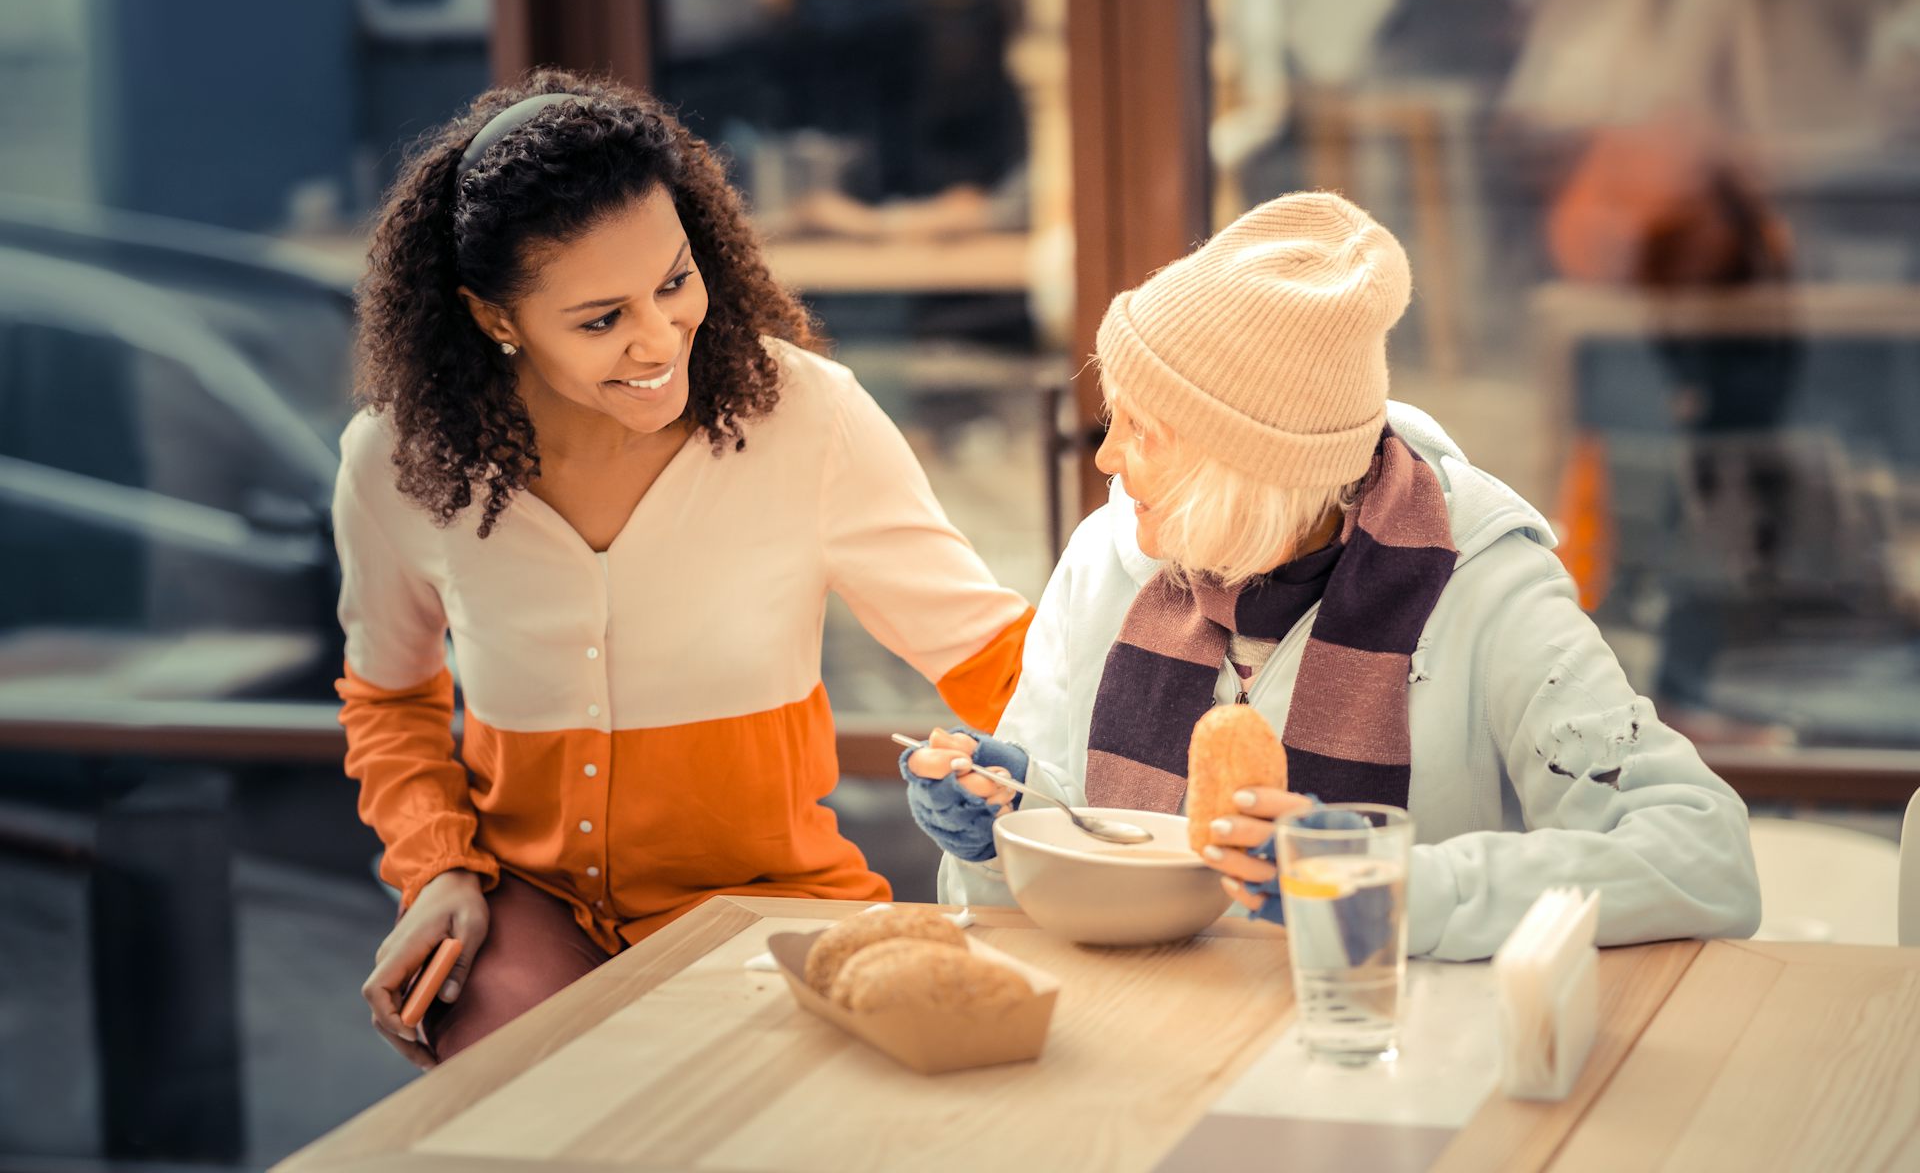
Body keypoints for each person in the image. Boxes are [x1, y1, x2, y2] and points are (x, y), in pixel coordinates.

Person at [339, 71, 1032, 1065]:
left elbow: (992, 651)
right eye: (598, 318)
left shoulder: (807, 416)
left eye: (673, 280)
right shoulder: (396, 462)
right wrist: (436, 867)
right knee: (501, 1064)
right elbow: (390, 698)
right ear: (496, 317)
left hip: (769, 902)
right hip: (528, 904)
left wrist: (1157, 777)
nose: (659, 338)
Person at [902, 191, 1760, 961]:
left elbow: (1701, 858)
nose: (1106, 456)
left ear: (1248, 467)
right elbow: (1044, 870)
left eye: (1143, 428)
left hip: (1398, 1062)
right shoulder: (1106, 556)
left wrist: (1383, 887)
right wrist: (1001, 834)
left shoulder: (1486, 588)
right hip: (1133, 1053)